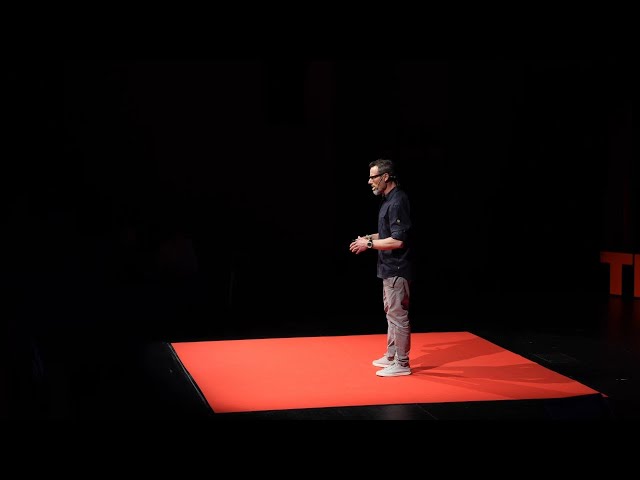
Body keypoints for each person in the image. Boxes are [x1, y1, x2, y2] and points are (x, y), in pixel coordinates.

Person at [349, 158, 414, 377]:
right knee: (391, 313)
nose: (369, 181)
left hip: (397, 268)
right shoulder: (388, 200)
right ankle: (392, 355)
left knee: (398, 315)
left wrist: (368, 244)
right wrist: (368, 238)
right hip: (388, 268)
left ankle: (402, 363)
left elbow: (398, 241)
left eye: (373, 177)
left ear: (385, 176)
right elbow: (387, 235)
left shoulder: (397, 201)